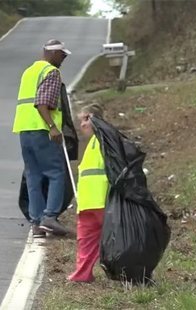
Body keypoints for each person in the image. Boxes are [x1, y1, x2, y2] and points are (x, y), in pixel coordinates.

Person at [12, 39, 71, 237]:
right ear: (52, 53)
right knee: (56, 172)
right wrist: (53, 127)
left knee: (33, 175)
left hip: (24, 131)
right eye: (62, 55)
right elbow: (42, 103)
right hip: (42, 130)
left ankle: (36, 223)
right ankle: (50, 217)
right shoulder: (51, 72)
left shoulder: (29, 71)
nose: (63, 59)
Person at [68, 103, 109, 283]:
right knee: (86, 240)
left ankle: (126, 270)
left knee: (96, 240)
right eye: (81, 120)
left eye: (87, 119)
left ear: (97, 119)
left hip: (100, 200)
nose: (82, 124)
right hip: (89, 202)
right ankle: (82, 274)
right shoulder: (93, 143)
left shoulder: (104, 141)